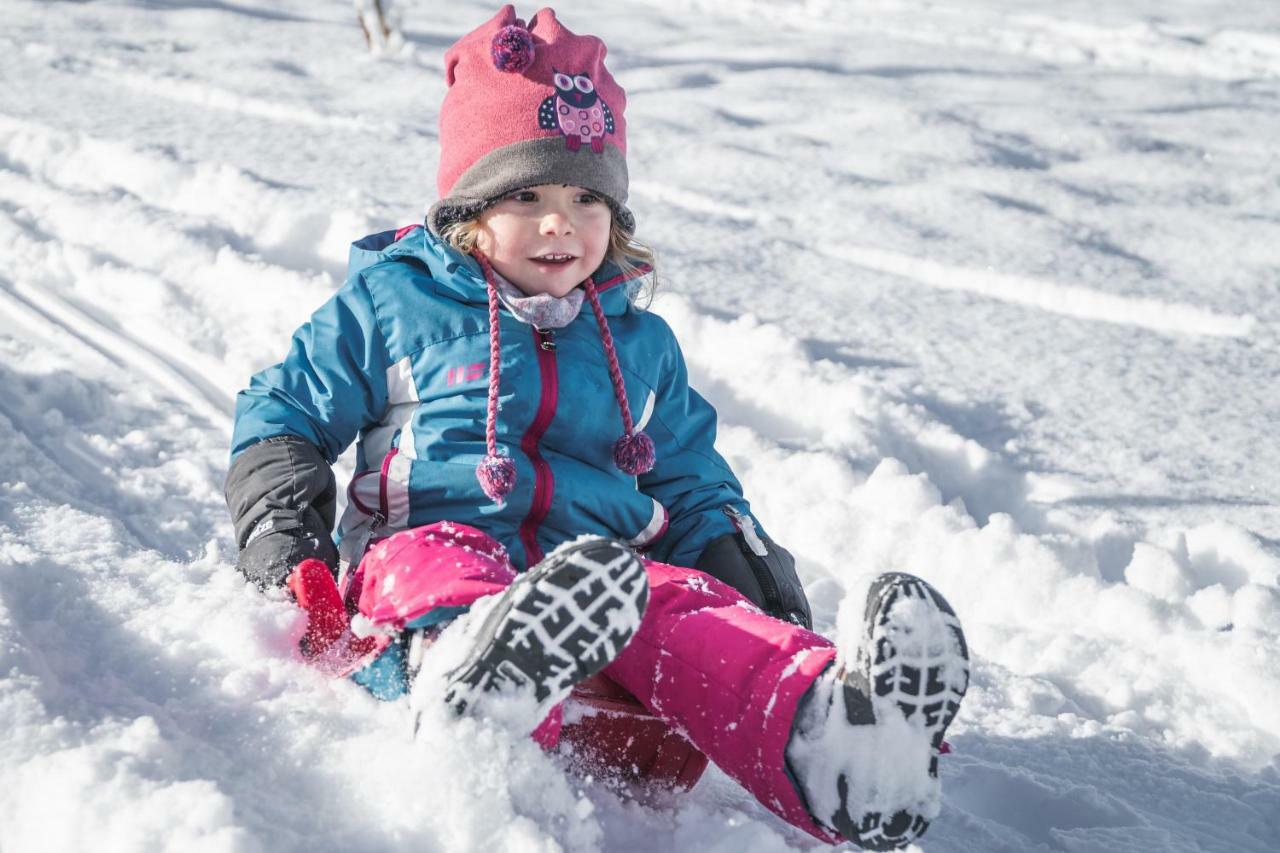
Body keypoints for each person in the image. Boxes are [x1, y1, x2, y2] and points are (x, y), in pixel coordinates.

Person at [223, 6, 969, 849]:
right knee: (431, 558)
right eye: (527, 195)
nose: (561, 221)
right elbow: (283, 410)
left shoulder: (638, 344)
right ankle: (476, 675)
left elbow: (690, 481)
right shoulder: (395, 307)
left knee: (677, 600)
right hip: (424, 581)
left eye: (587, 197)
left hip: (597, 602)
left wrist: (745, 577)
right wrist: (285, 532)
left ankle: (839, 742)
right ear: (468, 209)